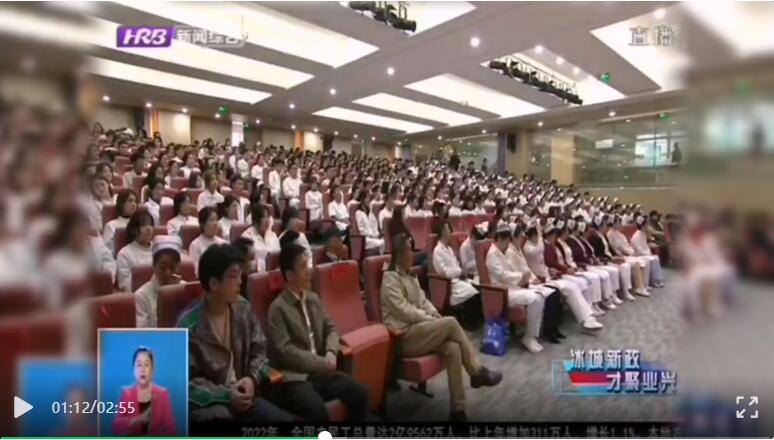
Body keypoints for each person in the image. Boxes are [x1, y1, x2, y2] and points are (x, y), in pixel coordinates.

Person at [381, 233, 502, 421]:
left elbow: (423, 302)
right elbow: (404, 311)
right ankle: (476, 371)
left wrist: (435, 315)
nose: (412, 254)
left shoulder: (410, 276)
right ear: (399, 254)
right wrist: (430, 320)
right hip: (403, 336)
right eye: (409, 251)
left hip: (421, 331)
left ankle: (458, 411)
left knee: (453, 349)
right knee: (451, 322)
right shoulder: (390, 278)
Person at [178, 244, 294, 423]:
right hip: (211, 405)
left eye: (240, 275)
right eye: (233, 276)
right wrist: (226, 395)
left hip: (245, 397)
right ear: (214, 283)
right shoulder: (188, 325)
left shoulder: (242, 308)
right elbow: (184, 382)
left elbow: (260, 351)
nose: (240, 281)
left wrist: (251, 379)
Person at [264, 243, 368, 422]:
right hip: (297, 377)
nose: (309, 271)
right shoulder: (278, 309)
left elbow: (331, 328)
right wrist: (322, 363)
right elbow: (285, 352)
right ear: (289, 275)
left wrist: (331, 352)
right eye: (303, 267)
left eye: (309, 265)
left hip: (322, 370)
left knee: (360, 393)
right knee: (317, 412)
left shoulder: (313, 299)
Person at [522, 221, 605, 330]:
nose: (538, 238)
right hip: (540, 280)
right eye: (537, 235)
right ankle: (585, 318)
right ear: (533, 236)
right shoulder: (529, 247)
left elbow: (542, 263)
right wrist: (540, 231)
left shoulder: (538, 245)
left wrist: (551, 271)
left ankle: (587, 317)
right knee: (570, 287)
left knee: (573, 286)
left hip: (547, 276)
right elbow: (538, 252)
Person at [485, 223, 546, 353]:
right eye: (506, 241)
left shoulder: (505, 252)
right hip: (501, 292)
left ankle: (530, 335)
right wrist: (520, 276)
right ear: (499, 239)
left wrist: (524, 276)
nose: (508, 244)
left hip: (513, 288)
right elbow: (502, 275)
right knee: (534, 298)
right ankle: (528, 337)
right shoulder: (492, 254)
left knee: (540, 296)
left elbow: (513, 270)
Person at [112, 347, 177, 435]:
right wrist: (137, 419)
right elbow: (116, 427)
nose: (143, 369)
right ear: (133, 368)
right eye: (139, 365)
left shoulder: (162, 394)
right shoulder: (126, 393)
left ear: (152, 369)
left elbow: (171, 430)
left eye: (146, 365)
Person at [432, 221, 480, 328]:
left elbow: (457, 264)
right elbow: (444, 272)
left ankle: (473, 319)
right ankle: (468, 322)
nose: (451, 232)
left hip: (459, 279)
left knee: (477, 287)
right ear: (443, 232)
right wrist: (459, 272)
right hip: (450, 284)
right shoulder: (437, 251)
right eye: (448, 230)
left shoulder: (449, 248)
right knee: (472, 291)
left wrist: (461, 272)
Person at [135, 235, 183, 328]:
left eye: (172, 267)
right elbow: (143, 333)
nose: (168, 273)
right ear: (154, 265)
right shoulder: (141, 296)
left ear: (178, 266)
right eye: (163, 268)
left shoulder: (185, 288)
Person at [606, 216, 652, 293]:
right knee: (636, 263)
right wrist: (631, 253)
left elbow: (627, 246)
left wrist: (632, 252)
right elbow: (619, 248)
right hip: (620, 255)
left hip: (627, 253)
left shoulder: (620, 234)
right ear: (613, 223)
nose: (621, 224)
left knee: (644, 261)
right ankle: (639, 287)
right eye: (619, 222)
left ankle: (644, 284)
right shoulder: (610, 234)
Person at [116, 211, 155, 292]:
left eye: (150, 224)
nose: (149, 228)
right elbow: (125, 285)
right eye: (143, 225)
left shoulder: (158, 248)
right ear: (134, 230)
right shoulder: (124, 254)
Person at [241, 204, 280, 272]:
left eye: (268, 217)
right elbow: (247, 265)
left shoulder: (272, 234)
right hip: (257, 274)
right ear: (256, 220)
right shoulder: (246, 237)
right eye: (264, 217)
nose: (267, 220)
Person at [630, 215, 665, 288]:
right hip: (638, 255)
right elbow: (638, 249)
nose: (648, 226)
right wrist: (648, 253)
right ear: (643, 225)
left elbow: (645, 246)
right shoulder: (636, 235)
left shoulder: (643, 233)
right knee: (652, 259)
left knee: (656, 258)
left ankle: (657, 279)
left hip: (644, 253)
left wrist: (649, 252)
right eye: (647, 224)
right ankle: (651, 282)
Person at [189, 207, 227, 273]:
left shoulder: (223, 243)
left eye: (216, 220)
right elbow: (197, 271)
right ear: (202, 224)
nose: (215, 223)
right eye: (211, 220)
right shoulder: (195, 245)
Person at [103, 190, 138, 255]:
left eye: (135, 201)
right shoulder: (111, 225)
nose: (134, 204)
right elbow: (107, 252)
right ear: (121, 204)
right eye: (130, 201)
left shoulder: (140, 224)